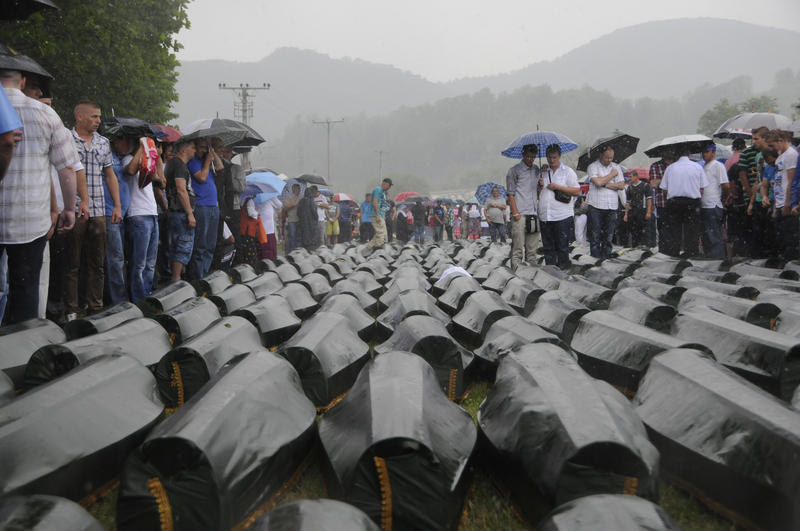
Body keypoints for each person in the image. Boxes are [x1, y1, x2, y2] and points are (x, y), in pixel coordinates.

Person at [0, 68, 76, 323]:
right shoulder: (45, 113)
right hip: (29, 220)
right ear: (22, 81)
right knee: (26, 287)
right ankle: (20, 350)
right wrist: (68, 209)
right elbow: (66, 170)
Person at [66, 101, 122, 319]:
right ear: (79, 117)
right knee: (72, 262)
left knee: (97, 263)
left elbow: (110, 175)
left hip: (98, 207)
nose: (98, 121)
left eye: (99, 117)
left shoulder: (103, 142)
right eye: (94, 117)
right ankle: (71, 308)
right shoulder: (66, 139)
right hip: (74, 207)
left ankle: (95, 306)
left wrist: (116, 205)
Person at [124, 137, 165, 303]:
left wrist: (158, 157)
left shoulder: (149, 162)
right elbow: (131, 171)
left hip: (152, 213)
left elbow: (161, 182)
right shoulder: (128, 158)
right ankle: (138, 300)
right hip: (138, 214)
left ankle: (146, 295)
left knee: (150, 264)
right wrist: (141, 148)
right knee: (139, 263)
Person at [659, 144, 709, 257]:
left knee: (674, 229)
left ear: (677, 155)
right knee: (691, 229)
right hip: (692, 202)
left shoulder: (671, 168)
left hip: (674, 202)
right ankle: (691, 252)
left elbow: (664, 189)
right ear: (689, 154)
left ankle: (674, 252)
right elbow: (702, 188)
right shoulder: (697, 167)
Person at [538, 144, 580, 269]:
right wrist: (540, 186)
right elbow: (537, 194)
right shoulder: (543, 172)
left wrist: (558, 187)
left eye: (554, 157)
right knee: (548, 247)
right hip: (545, 215)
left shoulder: (567, 171)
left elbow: (577, 191)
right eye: (549, 157)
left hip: (562, 215)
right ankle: (551, 272)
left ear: (559, 156)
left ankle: (564, 273)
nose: (552, 160)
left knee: (562, 247)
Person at [187, 138, 223, 279]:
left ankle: (205, 273)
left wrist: (212, 153)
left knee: (210, 245)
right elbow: (201, 178)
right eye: (201, 147)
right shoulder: (193, 162)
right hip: (201, 206)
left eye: (205, 148)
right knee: (200, 245)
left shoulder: (207, 161)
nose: (202, 150)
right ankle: (197, 276)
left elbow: (220, 168)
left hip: (213, 206)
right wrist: (208, 160)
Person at [105, 135, 133, 304]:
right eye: (125, 140)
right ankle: (118, 301)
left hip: (123, 214)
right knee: (115, 259)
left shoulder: (120, 159)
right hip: (110, 212)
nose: (128, 144)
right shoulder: (107, 156)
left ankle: (120, 297)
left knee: (121, 258)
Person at [164, 139, 197, 281]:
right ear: (184, 149)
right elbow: (181, 189)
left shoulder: (172, 164)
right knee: (183, 245)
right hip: (180, 212)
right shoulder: (179, 165)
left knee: (174, 246)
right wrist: (190, 213)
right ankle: (176, 278)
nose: (195, 151)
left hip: (173, 211)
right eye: (193, 147)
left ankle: (174, 277)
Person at [586, 145, 626, 259]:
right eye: (607, 157)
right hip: (596, 206)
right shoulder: (593, 167)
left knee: (608, 236)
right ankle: (595, 259)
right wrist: (612, 175)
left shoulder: (616, 167)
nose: (609, 160)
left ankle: (606, 258)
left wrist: (605, 183)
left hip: (611, 206)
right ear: (601, 155)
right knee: (595, 236)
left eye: (611, 157)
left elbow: (622, 186)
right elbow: (597, 183)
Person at [506, 144, 541, 270]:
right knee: (518, 248)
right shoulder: (514, 171)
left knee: (532, 250)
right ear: (523, 154)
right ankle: (517, 273)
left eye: (533, 157)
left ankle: (531, 273)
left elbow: (537, 193)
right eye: (528, 156)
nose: (530, 159)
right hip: (520, 214)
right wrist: (515, 213)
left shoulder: (537, 170)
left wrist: (540, 186)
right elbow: (510, 193)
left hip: (533, 213)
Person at [768, 129, 798, 262]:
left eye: (773, 145)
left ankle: (790, 263)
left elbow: (792, 180)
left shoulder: (791, 154)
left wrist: (788, 202)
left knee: (789, 238)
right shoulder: (781, 156)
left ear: (780, 141)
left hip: (787, 203)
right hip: (779, 202)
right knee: (779, 238)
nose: (772, 149)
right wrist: (776, 203)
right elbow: (778, 180)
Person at [699, 145, 729, 259]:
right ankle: (709, 258)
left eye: (707, 151)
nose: (704, 154)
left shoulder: (718, 166)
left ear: (713, 152)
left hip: (713, 204)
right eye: (703, 152)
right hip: (704, 204)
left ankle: (719, 259)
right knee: (705, 235)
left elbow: (725, 185)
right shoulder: (703, 166)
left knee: (714, 235)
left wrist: (723, 198)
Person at [623, 170, 653, 248]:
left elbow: (649, 199)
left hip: (642, 210)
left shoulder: (645, 186)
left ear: (636, 176)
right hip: (633, 211)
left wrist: (648, 211)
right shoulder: (630, 188)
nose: (629, 178)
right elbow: (627, 202)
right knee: (634, 229)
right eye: (629, 177)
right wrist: (626, 214)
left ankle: (645, 245)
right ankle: (635, 245)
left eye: (631, 177)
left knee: (644, 229)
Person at [363, 178, 393, 254]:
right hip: (376, 215)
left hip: (381, 215)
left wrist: (383, 215)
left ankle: (368, 247)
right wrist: (377, 215)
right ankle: (377, 250)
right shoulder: (378, 190)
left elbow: (382, 204)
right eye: (389, 186)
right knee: (381, 234)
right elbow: (374, 202)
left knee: (382, 234)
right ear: (385, 184)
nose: (390, 188)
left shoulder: (382, 192)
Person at [256, 195, 282, 260]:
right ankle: (270, 261)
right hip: (268, 226)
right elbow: (279, 204)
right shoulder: (269, 194)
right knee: (269, 246)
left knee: (261, 246)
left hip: (259, 224)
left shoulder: (255, 195)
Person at [282, 183, 302, 252]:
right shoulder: (289, 197)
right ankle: (292, 251)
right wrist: (294, 204)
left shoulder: (301, 197)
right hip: (291, 220)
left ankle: (298, 251)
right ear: (293, 189)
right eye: (298, 188)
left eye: (299, 189)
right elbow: (285, 207)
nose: (299, 190)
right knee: (292, 236)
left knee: (298, 237)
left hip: (299, 220)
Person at [298, 186, 320, 251]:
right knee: (311, 237)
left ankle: (305, 249)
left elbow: (298, 212)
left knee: (304, 236)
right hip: (311, 223)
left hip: (303, 223)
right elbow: (314, 212)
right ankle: (311, 249)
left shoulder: (301, 201)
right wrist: (316, 218)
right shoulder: (311, 201)